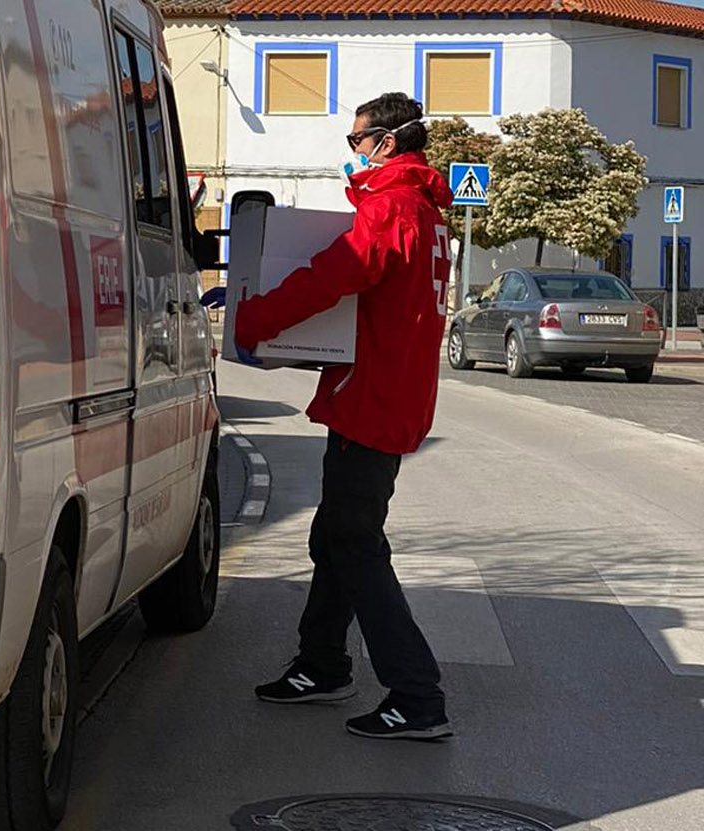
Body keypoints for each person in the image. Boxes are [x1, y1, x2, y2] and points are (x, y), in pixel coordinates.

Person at [232, 93, 455, 740]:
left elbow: (332, 276)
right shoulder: (425, 211)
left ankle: (417, 695)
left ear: (385, 142)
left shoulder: (393, 208)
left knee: (355, 543)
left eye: (357, 139)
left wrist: (253, 317)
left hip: (373, 401)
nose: (351, 149)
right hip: (385, 394)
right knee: (333, 536)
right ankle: (321, 662)